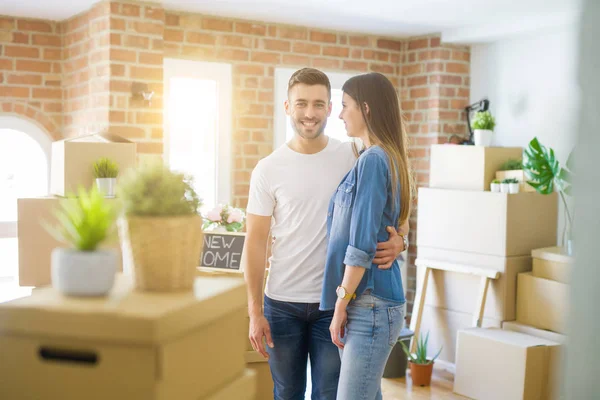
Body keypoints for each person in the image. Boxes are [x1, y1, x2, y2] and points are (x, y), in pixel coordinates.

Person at [242, 67, 409, 400]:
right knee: (287, 392)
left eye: (319, 104)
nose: (309, 112)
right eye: (301, 103)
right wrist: (255, 311)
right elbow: (255, 241)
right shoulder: (268, 168)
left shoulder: (353, 155)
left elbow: (391, 207)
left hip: (335, 304)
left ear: (330, 109)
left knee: (330, 394)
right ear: (287, 107)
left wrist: (401, 240)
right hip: (282, 303)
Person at [320, 72, 414, 400]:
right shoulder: (385, 157)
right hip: (375, 302)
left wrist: (341, 304)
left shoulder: (374, 160)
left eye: (345, 105)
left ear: (366, 108)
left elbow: (360, 244)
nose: (340, 113)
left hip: (370, 303)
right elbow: (391, 228)